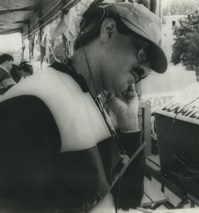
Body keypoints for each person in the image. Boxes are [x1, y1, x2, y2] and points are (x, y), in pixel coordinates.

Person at [0, 1, 167, 212]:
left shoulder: (95, 101)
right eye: (144, 53)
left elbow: (127, 200)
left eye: (149, 69)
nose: (144, 70)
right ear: (108, 31)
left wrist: (129, 126)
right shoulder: (32, 103)